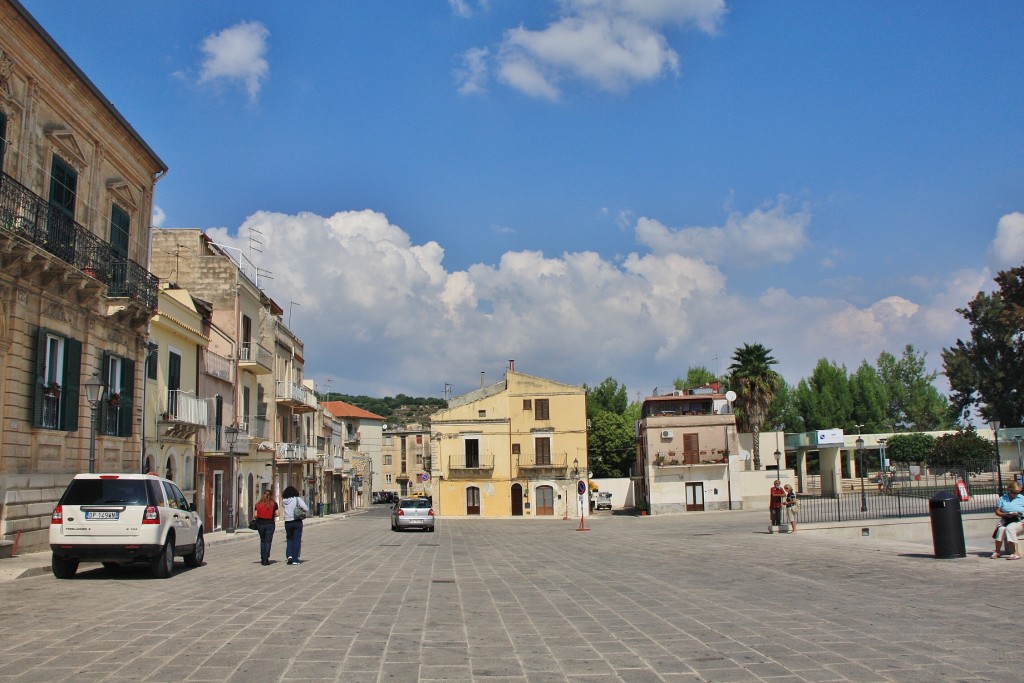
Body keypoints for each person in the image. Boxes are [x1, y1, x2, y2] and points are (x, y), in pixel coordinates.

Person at [993, 481, 1024, 559]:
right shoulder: (1003, 498)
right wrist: (1005, 515)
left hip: (1020, 520)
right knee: (1001, 529)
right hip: (1007, 519)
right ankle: (997, 551)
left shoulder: (1022, 498)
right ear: (1010, 490)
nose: (1016, 494)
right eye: (1014, 492)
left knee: (1010, 528)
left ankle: (1016, 552)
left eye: (1018, 492)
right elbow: (997, 511)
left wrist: (1019, 513)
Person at [282, 485, 310, 565]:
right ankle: (295, 559)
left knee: (289, 539)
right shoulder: (297, 499)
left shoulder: (284, 500)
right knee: (297, 539)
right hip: (296, 521)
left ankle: (289, 556)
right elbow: (306, 508)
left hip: (287, 522)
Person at [253, 489, 278, 566]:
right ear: (271, 495)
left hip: (260, 524)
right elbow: (278, 514)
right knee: (268, 542)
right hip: (270, 524)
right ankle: (266, 559)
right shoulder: (274, 504)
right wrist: (272, 515)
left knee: (263, 541)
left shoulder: (258, 504)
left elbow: (255, 515)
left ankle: (262, 557)